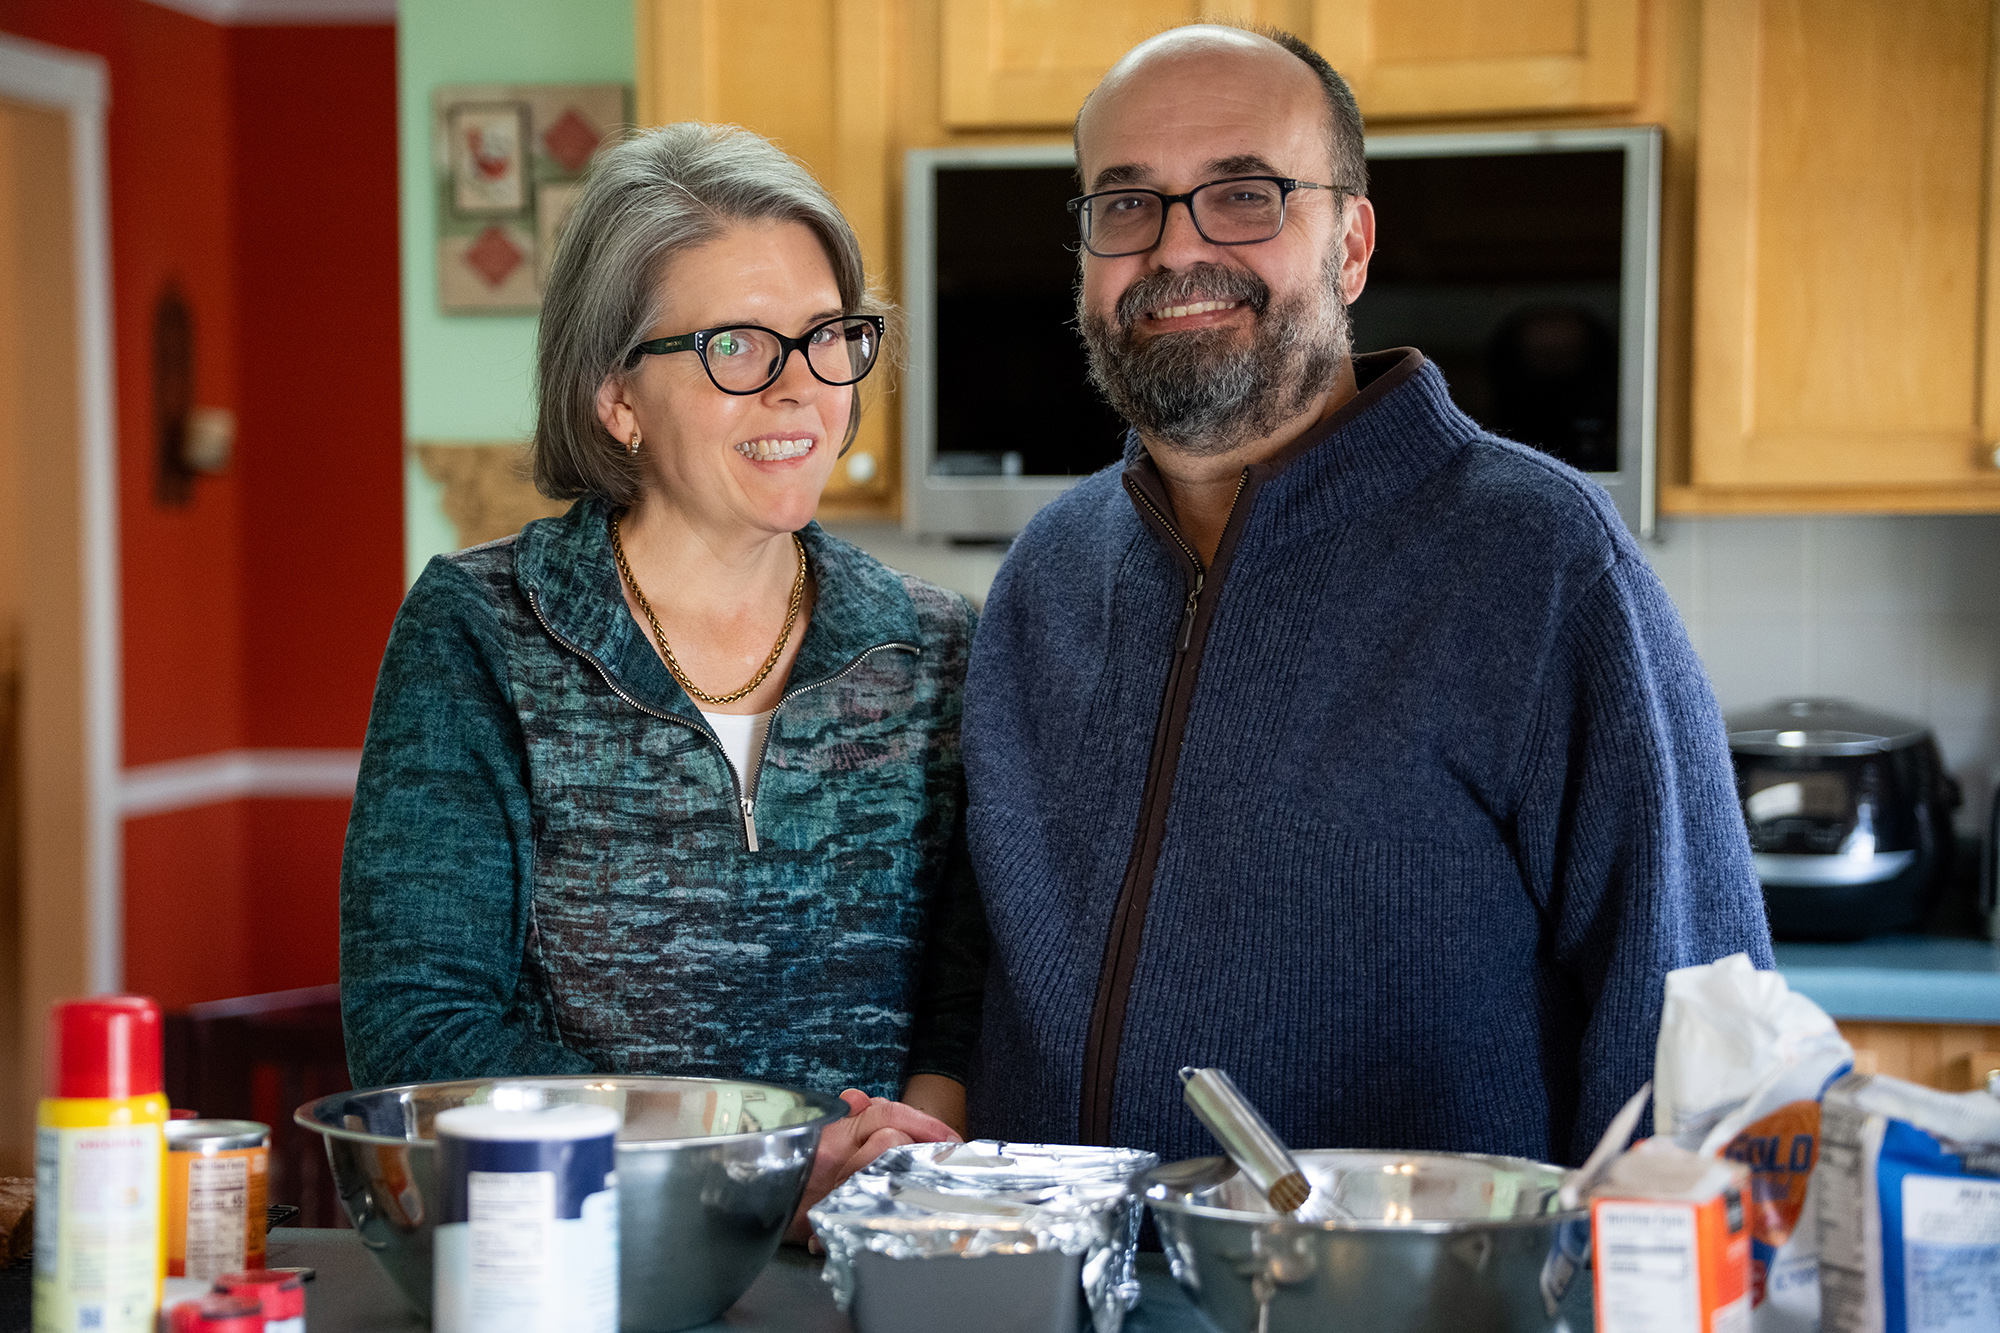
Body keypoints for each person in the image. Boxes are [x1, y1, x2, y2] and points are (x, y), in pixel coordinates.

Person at [961, 25, 1773, 1169]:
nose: (1174, 250)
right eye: (1124, 203)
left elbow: (1698, 1042)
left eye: (1243, 195)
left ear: (1349, 246)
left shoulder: (1537, 558)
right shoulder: (1044, 573)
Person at [341, 123, 985, 1223]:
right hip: (576, 1261)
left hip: (864, 1254)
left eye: (827, 335)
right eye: (737, 346)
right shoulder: (483, 630)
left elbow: (964, 998)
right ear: (615, 395)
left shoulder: (933, 649)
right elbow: (424, 1029)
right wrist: (754, 1165)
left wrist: (894, 1155)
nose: (800, 391)